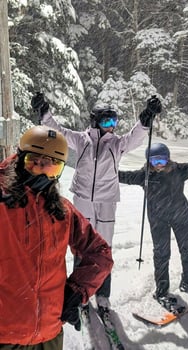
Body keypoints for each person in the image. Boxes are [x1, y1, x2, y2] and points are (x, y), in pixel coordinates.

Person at [31, 93, 162, 315]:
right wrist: (44, 113)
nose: (111, 126)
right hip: (82, 198)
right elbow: (59, 131)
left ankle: (103, 295)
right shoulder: (81, 140)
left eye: (114, 121)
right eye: (106, 121)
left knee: (103, 247)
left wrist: (146, 118)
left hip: (107, 201)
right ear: (95, 121)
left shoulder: (117, 143)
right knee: (81, 246)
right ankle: (78, 293)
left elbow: (135, 137)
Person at [0, 125, 113, 349]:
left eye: (51, 167)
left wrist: (77, 291)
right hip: (5, 336)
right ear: (20, 158)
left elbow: (100, 254)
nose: (41, 172)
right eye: (34, 162)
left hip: (49, 336)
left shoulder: (61, 210)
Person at [119, 142, 188, 309]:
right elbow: (121, 176)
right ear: (148, 161)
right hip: (158, 220)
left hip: (182, 216)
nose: (159, 165)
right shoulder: (143, 176)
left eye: (162, 160)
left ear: (168, 159)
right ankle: (161, 292)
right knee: (161, 254)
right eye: (154, 161)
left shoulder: (179, 170)